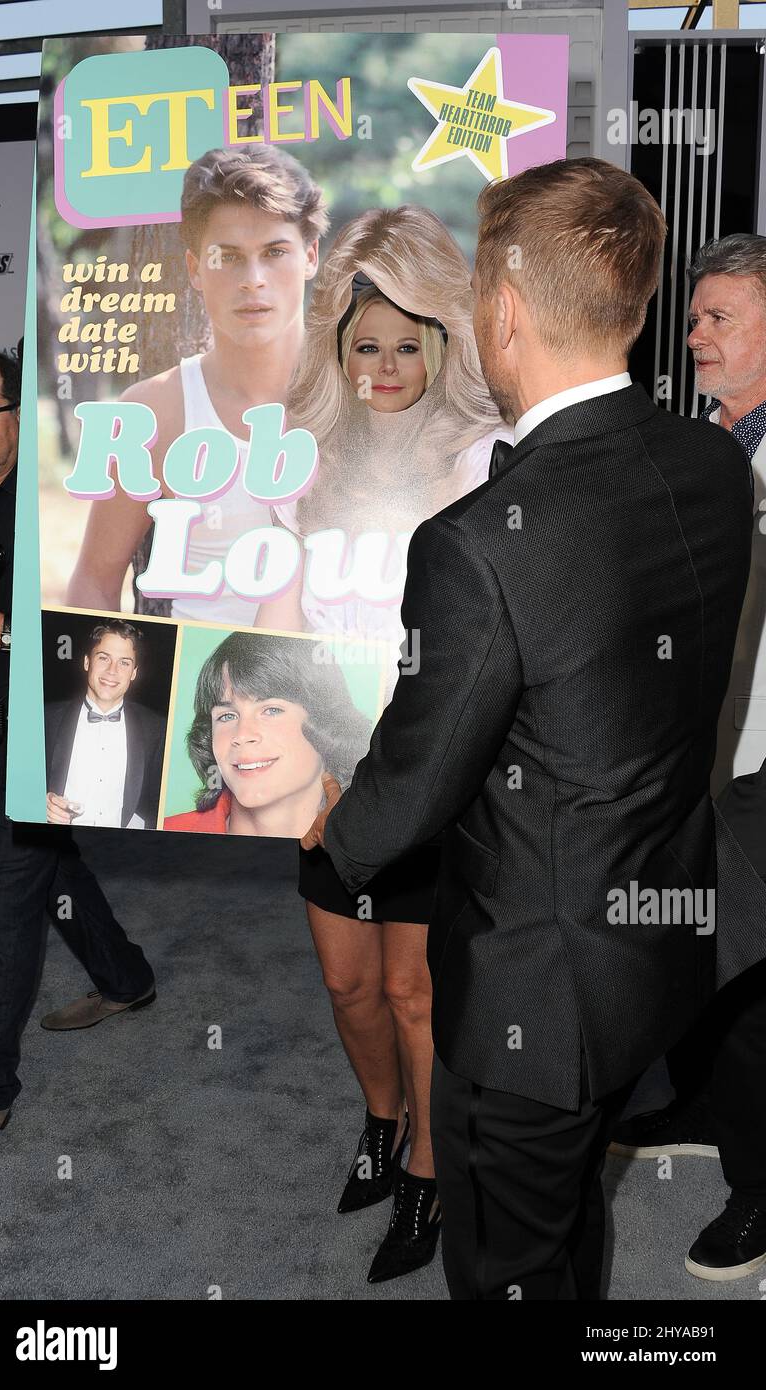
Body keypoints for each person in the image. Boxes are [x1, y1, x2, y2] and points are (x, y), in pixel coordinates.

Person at [301, 157, 756, 1300]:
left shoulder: (476, 543)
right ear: (640, 307)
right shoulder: (711, 460)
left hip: (532, 994)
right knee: (559, 1225)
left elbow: (412, 780)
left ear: (499, 311)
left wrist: (332, 834)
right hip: (655, 936)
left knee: (509, 1259)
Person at [258, 205, 510, 1284]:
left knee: (415, 993)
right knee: (349, 988)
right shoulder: (298, 464)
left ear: (444, 345)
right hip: (325, 770)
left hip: (426, 777)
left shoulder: (482, 460)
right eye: (366, 344)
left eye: (410, 341)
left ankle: (425, 1169)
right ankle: (377, 1117)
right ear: (339, 353)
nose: (388, 363)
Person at [610, 233, 766, 1283]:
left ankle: (759, 1185)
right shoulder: (701, 437)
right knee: (689, 951)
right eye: (693, 313)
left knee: (749, 973)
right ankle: (708, 1107)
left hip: (754, 761)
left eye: (717, 316)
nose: (693, 332)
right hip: (680, 750)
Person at [0, 349, 155, 1169]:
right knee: (55, 871)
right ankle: (126, 978)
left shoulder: (56, 511)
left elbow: (108, 630)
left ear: (18, 415)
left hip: (30, 744)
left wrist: (3, 631)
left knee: (7, 911)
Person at [65, 145, 327, 620]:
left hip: (348, 690)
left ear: (310, 256)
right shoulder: (153, 411)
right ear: (194, 270)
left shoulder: (366, 393)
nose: (253, 280)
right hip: (200, 688)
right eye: (228, 256)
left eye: (275, 253)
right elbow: (93, 582)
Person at [164, 630, 371, 838]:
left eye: (272, 710)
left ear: (328, 723)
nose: (242, 735)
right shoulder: (167, 835)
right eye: (227, 716)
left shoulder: (375, 844)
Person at [45, 619, 166, 831]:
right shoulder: (46, 719)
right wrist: (39, 802)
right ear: (86, 662)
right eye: (103, 658)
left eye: (124, 663)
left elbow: (161, 801)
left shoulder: (157, 729)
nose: (112, 670)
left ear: (134, 673)